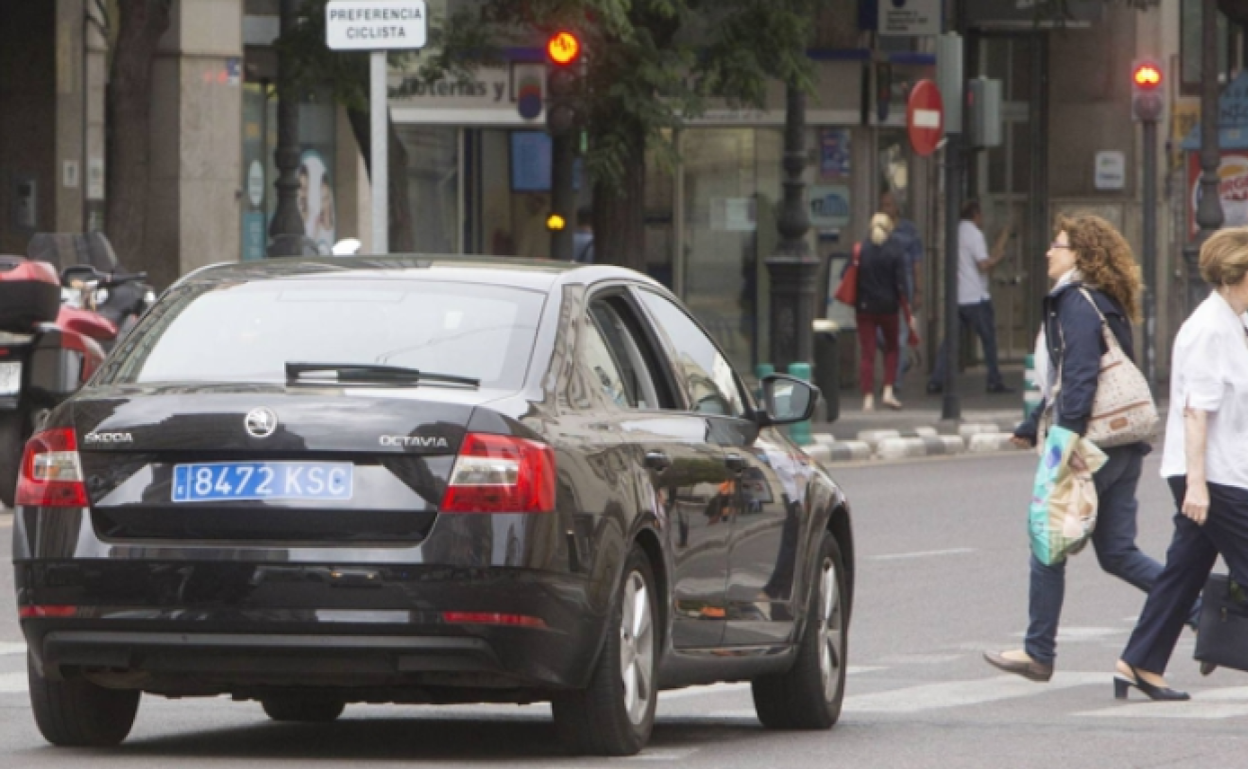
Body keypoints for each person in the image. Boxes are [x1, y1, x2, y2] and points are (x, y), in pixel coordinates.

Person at [985, 215, 1176, 683]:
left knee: (1046, 542)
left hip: (1084, 443)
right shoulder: (1106, 301)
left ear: (1080, 256)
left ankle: (1038, 652)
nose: (1049, 252)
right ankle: (1196, 612)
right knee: (1117, 552)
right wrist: (1033, 424)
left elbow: (1082, 375)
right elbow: (1071, 378)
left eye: (1058, 245)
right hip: (1123, 443)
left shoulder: (1073, 300)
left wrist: (1064, 438)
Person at [1115, 227, 1248, 702]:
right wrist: (1196, 485)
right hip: (1211, 475)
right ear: (1238, 275)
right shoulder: (1209, 328)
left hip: (1222, 471)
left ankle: (1140, 661)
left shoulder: (1233, 322)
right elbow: (1196, 410)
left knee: (1184, 571)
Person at [928, 200, 1014, 395]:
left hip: (957, 297)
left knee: (950, 341)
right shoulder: (975, 235)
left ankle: (936, 380)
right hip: (976, 296)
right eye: (981, 215)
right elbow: (982, 265)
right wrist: (998, 258)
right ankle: (994, 380)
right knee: (988, 340)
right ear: (975, 215)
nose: (982, 219)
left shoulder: (954, 231)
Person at [855, 213, 908, 412]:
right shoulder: (895, 251)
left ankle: (867, 399)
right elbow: (901, 284)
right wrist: (908, 309)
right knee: (892, 349)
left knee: (867, 354)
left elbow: (851, 276)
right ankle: (887, 391)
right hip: (888, 307)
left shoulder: (862, 250)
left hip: (865, 307)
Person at [880, 191, 923, 388]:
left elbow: (916, 262)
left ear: (897, 208)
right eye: (883, 205)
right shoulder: (878, 227)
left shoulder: (909, 230)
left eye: (889, 205)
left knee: (901, 334)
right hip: (882, 284)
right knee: (880, 333)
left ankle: (894, 381)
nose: (885, 209)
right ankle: (903, 361)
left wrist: (918, 290)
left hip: (904, 283)